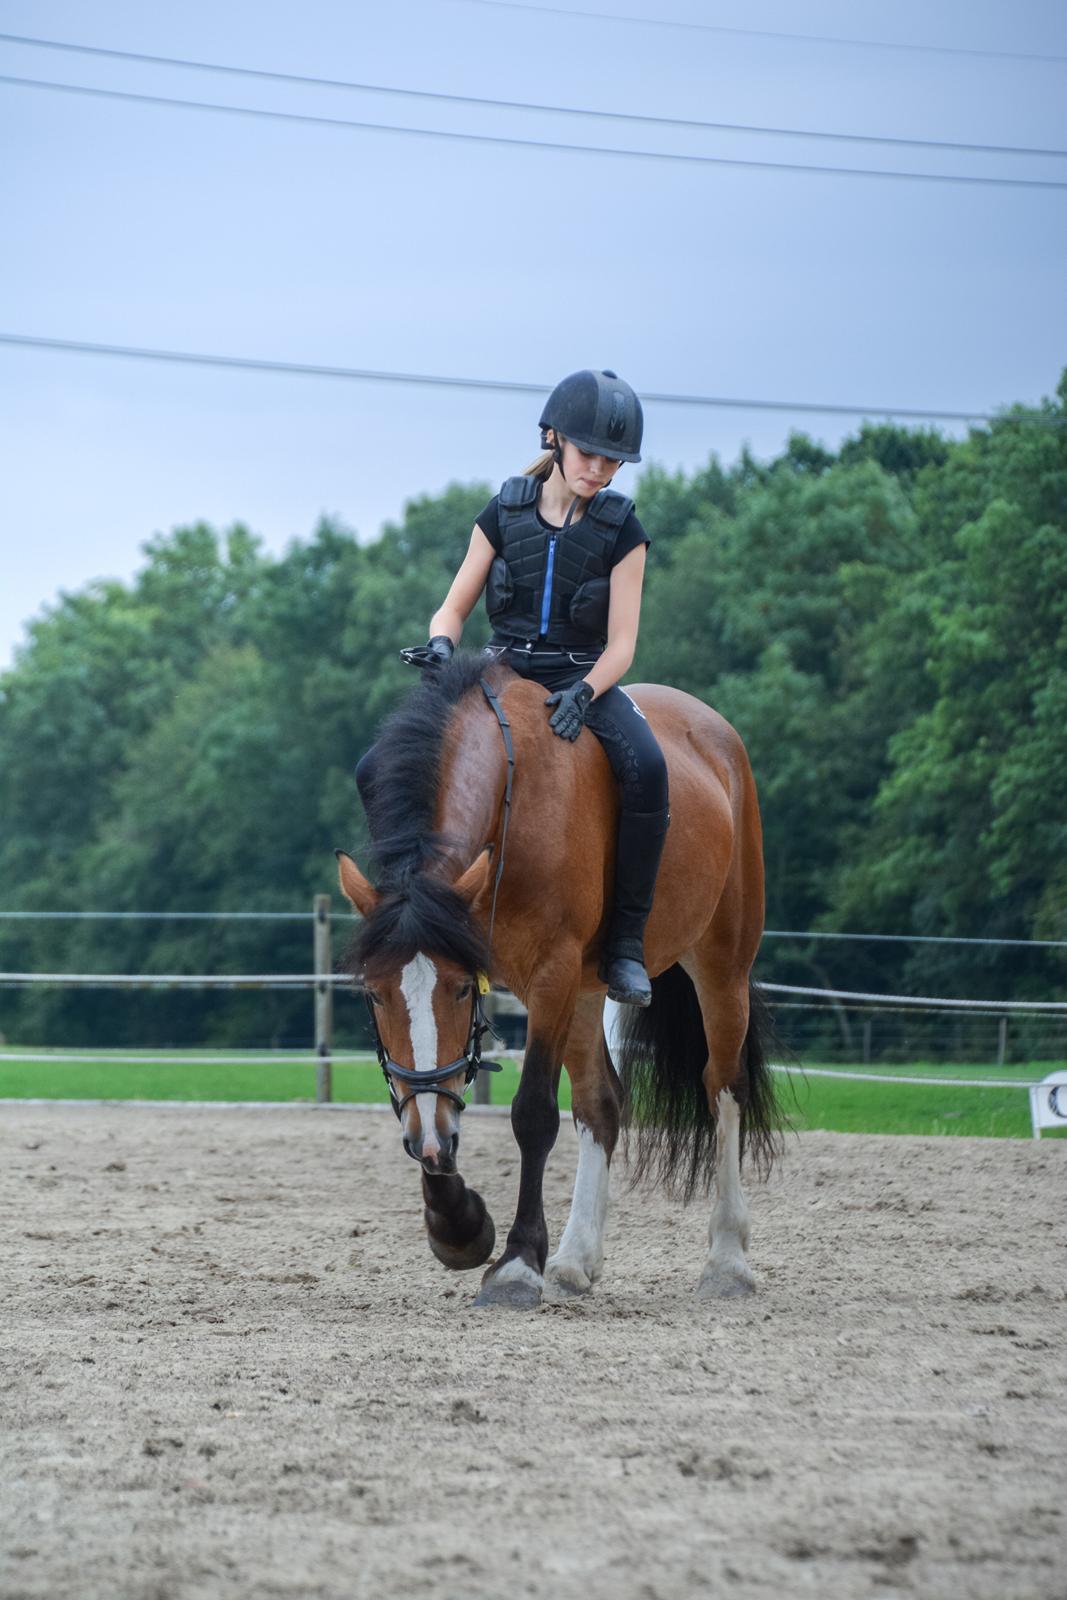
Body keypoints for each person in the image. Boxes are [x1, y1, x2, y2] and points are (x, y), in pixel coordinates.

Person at [366, 368, 669, 1007]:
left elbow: (622, 646)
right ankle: (406, 898)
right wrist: (444, 645)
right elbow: (452, 610)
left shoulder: (624, 532)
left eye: (615, 462)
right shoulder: (502, 513)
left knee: (647, 767)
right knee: (374, 766)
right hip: (498, 669)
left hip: (580, 676)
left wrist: (586, 693)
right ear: (554, 438)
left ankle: (626, 945)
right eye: (592, 454)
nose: (601, 470)